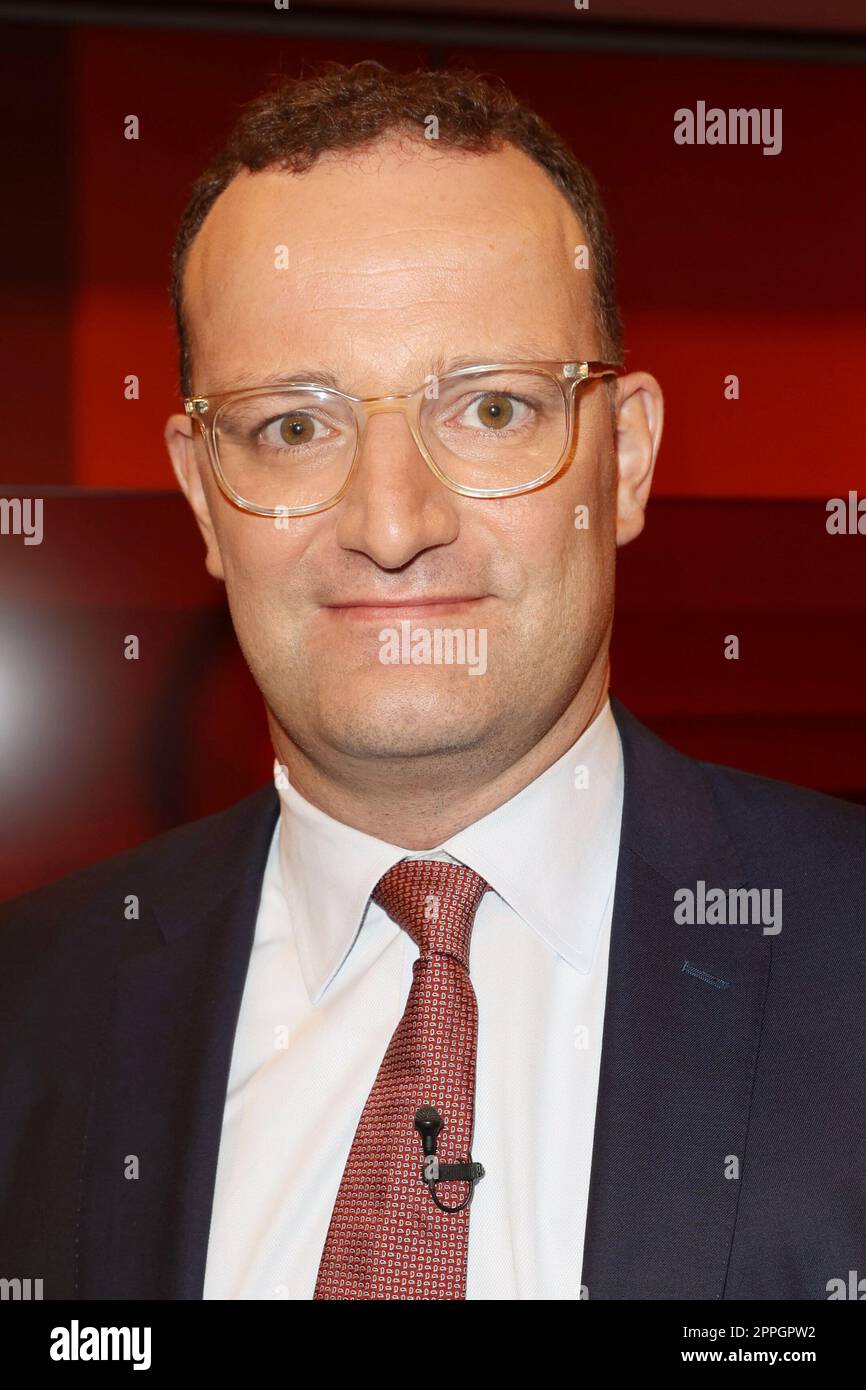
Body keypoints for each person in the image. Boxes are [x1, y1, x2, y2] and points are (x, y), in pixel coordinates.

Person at [1, 60, 863, 1302]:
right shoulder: (30, 1014)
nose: (392, 522)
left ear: (620, 463)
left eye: (492, 409)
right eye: (294, 426)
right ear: (200, 491)